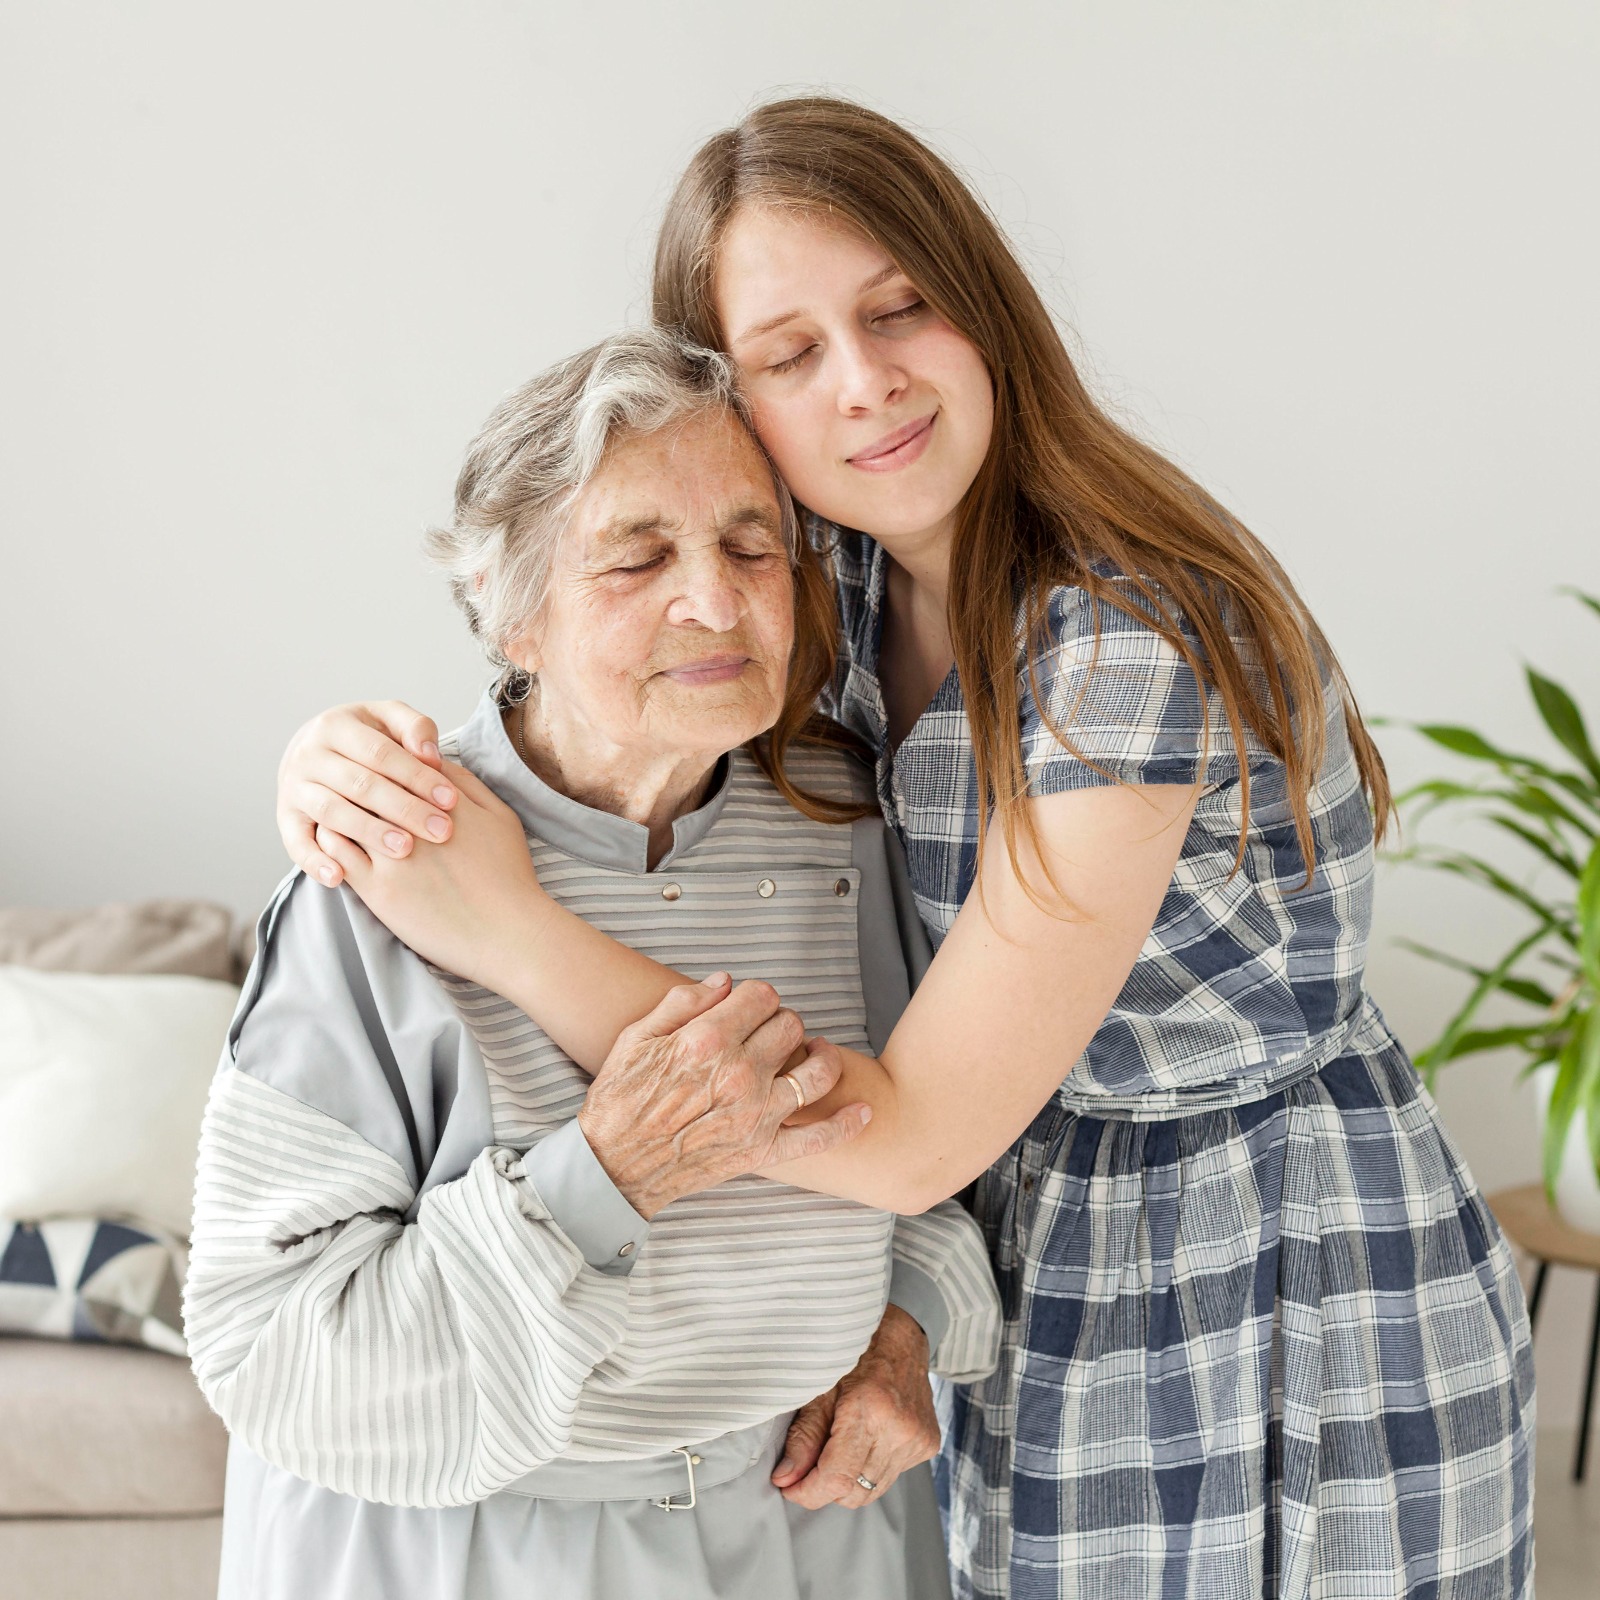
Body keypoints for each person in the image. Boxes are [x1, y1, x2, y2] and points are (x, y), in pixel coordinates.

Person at [272, 98, 1535, 1599]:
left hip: (1272, 1264)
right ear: (733, 407)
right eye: (791, 356)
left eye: (900, 309)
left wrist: (501, 929)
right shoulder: (845, 604)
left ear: (981, 305)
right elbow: (581, 662)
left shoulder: (1121, 647)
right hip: (1046, 1249)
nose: (865, 383)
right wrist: (339, 760)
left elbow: (918, 1128)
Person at [185, 328, 1002, 1600]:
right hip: (459, 1548)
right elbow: (273, 1355)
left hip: (797, 1530)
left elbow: (937, 1157)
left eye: (749, 546)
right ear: (513, 615)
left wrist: (905, 1329)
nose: (717, 602)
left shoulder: (852, 819)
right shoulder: (386, 858)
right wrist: (605, 1176)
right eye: (636, 556)